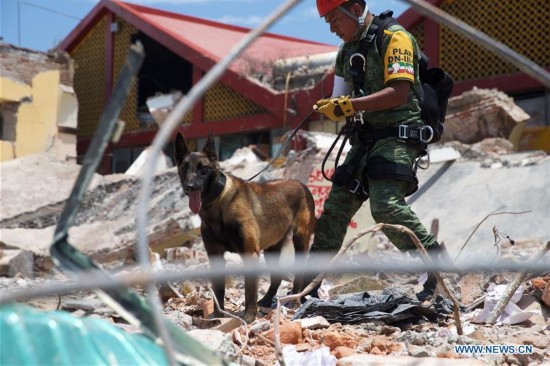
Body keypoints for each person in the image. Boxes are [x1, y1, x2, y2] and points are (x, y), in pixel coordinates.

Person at [306, 0, 442, 301]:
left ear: (355, 9)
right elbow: (339, 99)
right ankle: (306, 284)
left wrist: (348, 105)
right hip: (364, 140)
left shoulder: (395, 38)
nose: (331, 28)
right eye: (326, 22)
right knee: (335, 209)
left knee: (385, 204)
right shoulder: (345, 53)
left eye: (334, 19)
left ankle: (439, 270)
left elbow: (399, 92)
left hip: (399, 135)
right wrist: (331, 107)